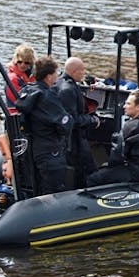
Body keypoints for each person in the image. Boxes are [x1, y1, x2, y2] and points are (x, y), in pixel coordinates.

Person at [15, 55, 73, 195]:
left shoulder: (26, 92)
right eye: (55, 74)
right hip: (49, 152)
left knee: (36, 189)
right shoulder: (47, 97)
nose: (57, 77)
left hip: (31, 150)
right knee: (53, 192)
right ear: (48, 77)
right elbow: (65, 124)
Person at [87, 91, 139, 186]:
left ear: (138, 107)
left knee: (94, 178)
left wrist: (106, 167)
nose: (124, 106)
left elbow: (117, 156)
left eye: (128, 103)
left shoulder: (131, 126)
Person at [54, 57, 100, 189]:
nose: (83, 73)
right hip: (73, 140)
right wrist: (92, 120)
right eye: (82, 71)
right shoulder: (68, 90)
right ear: (74, 72)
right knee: (87, 169)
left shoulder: (59, 83)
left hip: (67, 139)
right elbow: (72, 120)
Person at [5, 43, 36, 113]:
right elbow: (18, 101)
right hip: (16, 117)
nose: (23, 65)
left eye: (26, 62)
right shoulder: (12, 78)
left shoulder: (32, 75)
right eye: (20, 62)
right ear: (15, 61)